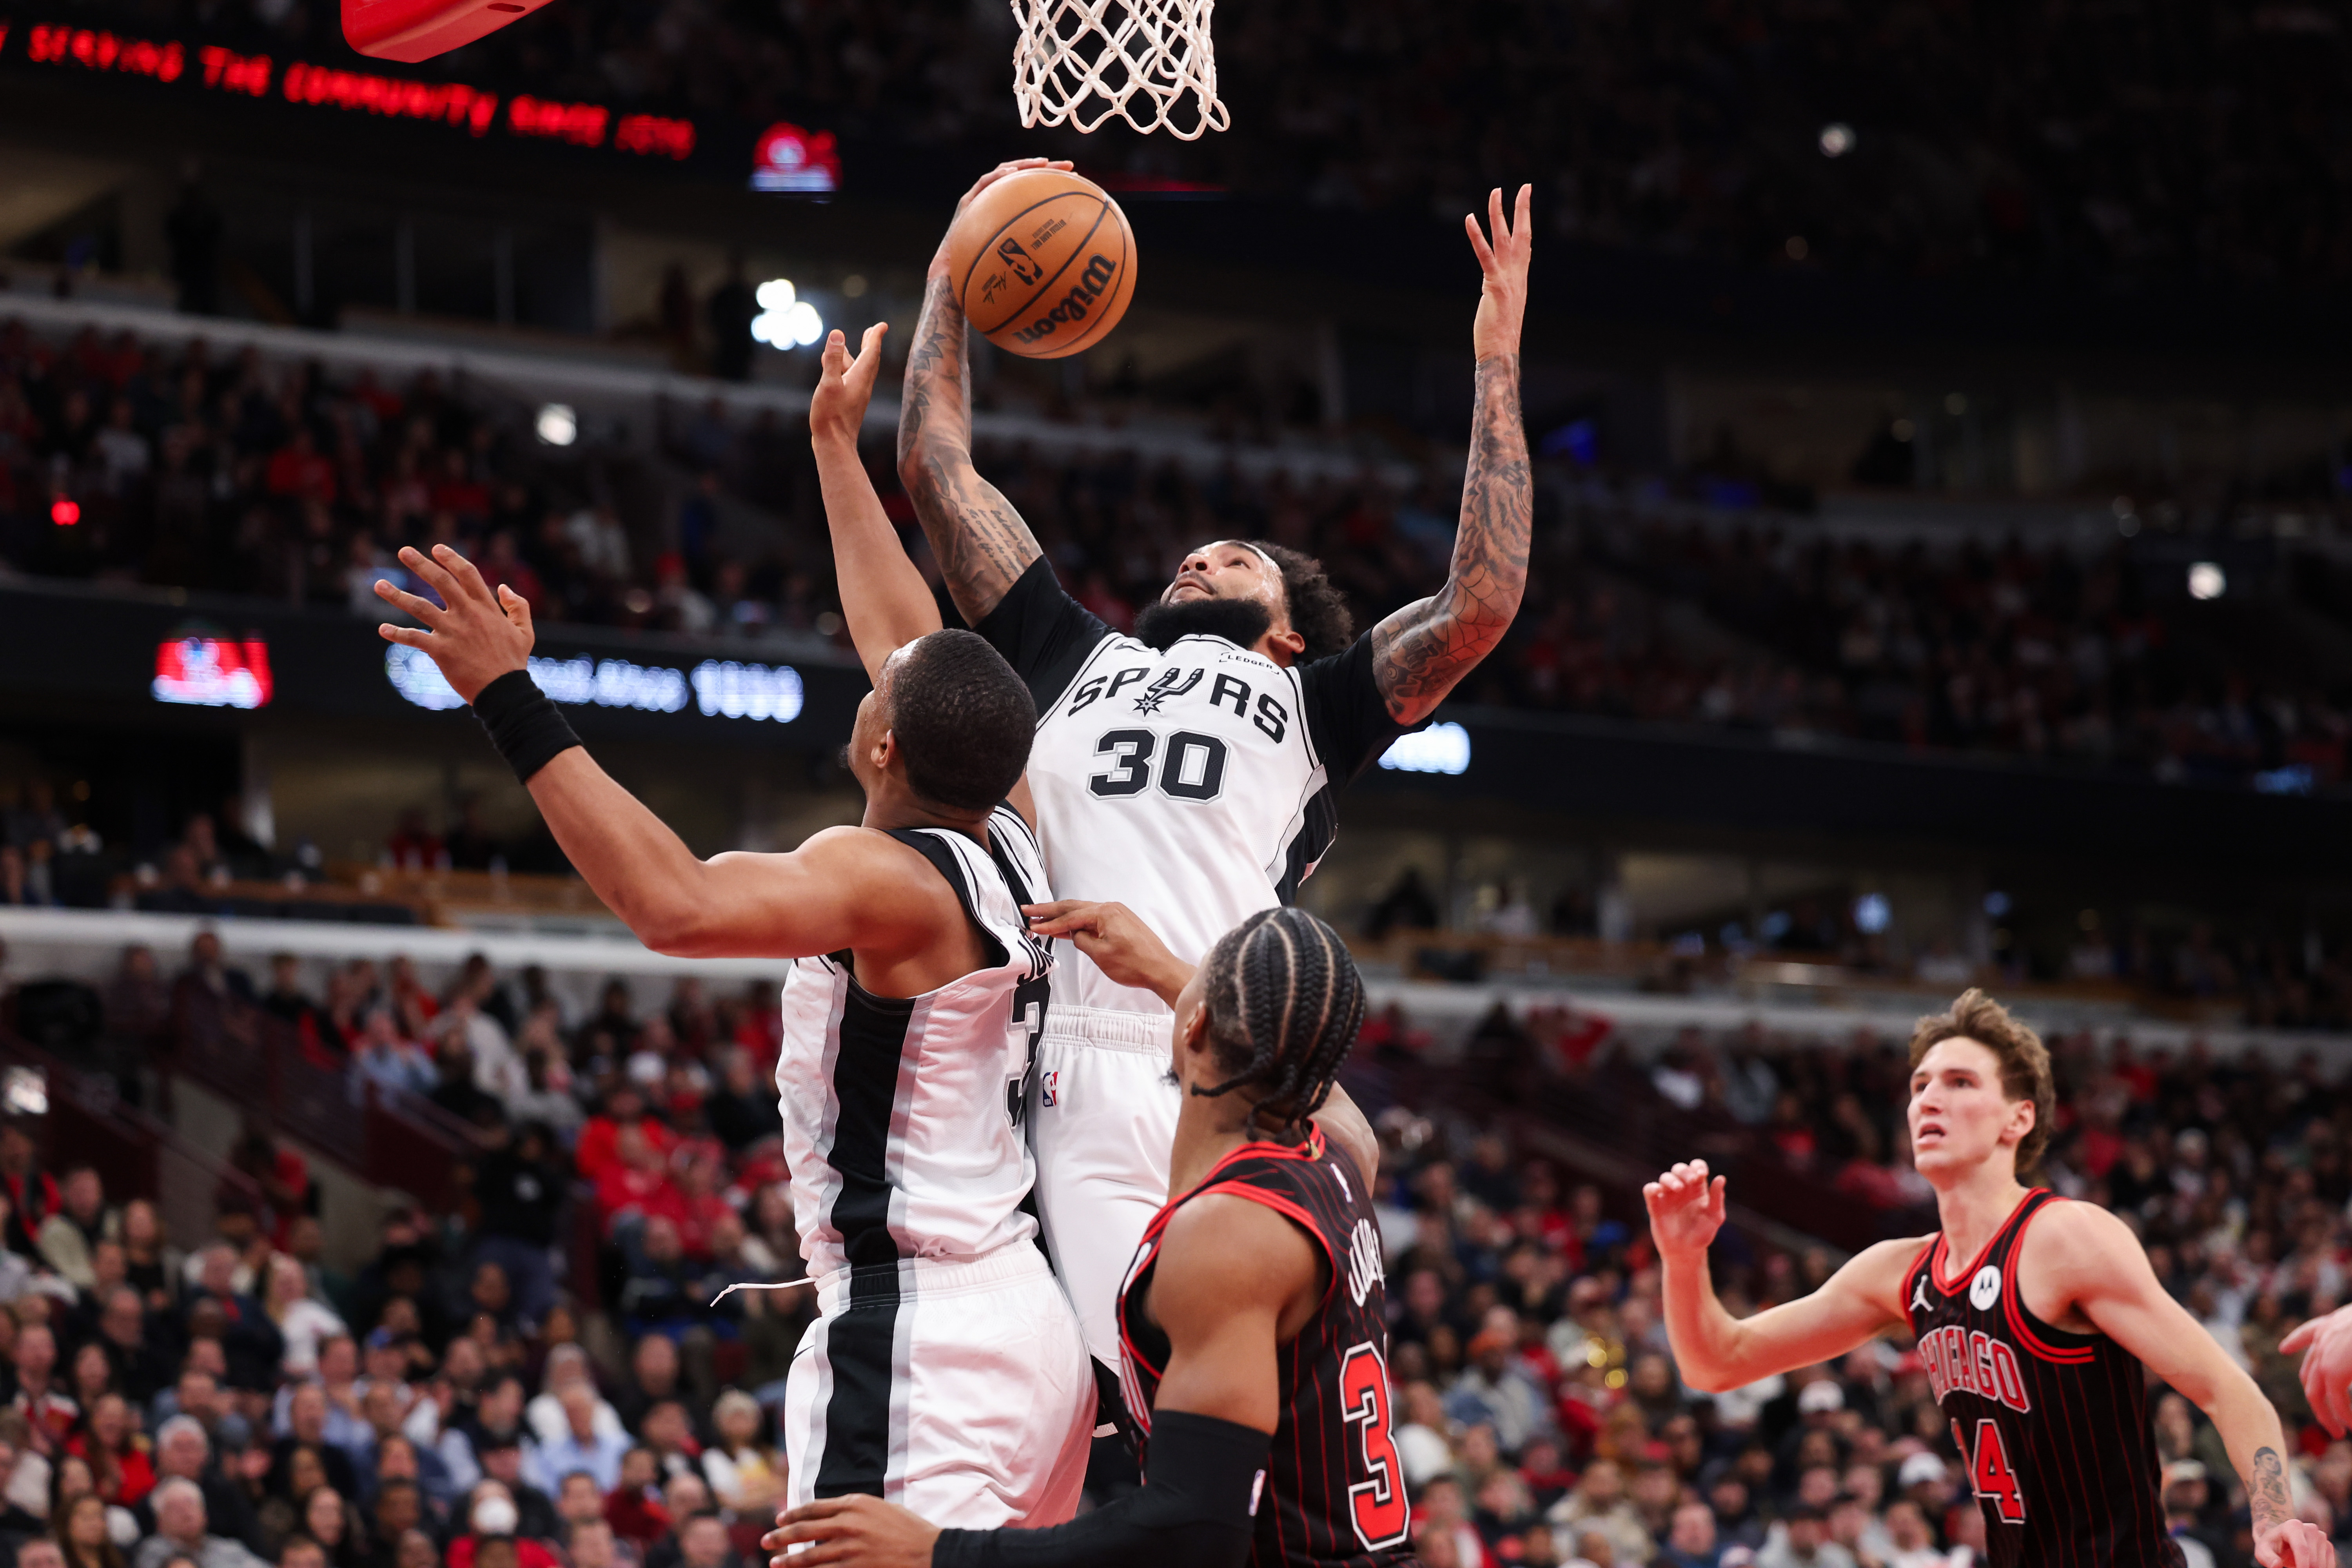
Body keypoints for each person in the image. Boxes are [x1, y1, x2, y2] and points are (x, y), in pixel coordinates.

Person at [874, 157, 1534, 1380]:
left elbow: (1480, 604)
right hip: (1066, 1050)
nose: (1199, 559)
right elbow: (936, 472)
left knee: (1199, 1408)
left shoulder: (1316, 703)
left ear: (1289, 628)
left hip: (1220, 1049)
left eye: (1236, 559)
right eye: (1194, 553)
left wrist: (1496, 364)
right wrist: (954, 272)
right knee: (1096, 1403)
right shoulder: (1075, 656)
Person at [369, 543, 1091, 1526]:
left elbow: (676, 905)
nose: (873, 677)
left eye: (881, 686)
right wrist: (837, 462)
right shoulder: (1012, 830)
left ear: (886, 745)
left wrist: (506, 693)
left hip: (925, 1341)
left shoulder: (891, 879)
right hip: (1026, 1319)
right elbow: (914, 643)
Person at [766, 905, 1405, 1568]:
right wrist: (1162, 973)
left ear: (1196, 1025)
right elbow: (1343, 1111)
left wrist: (938, 1551)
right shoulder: (1339, 1163)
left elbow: (1194, 1530)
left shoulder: (1228, 1234)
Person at [1643, 989, 2334, 1568]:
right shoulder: (1898, 1272)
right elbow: (1716, 1363)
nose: (1928, 1100)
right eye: (1920, 1086)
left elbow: (2227, 1389)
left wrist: (2273, 1518)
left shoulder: (2065, 1238)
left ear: (2018, 1117)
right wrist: (1682, 1259)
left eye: (1960, 1083)